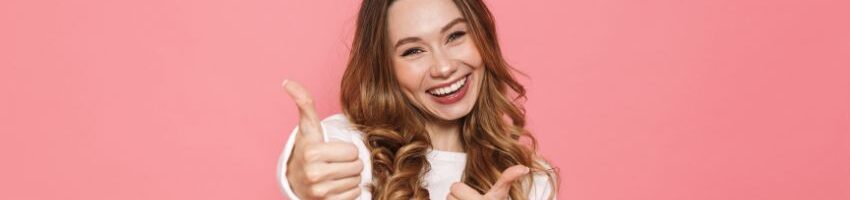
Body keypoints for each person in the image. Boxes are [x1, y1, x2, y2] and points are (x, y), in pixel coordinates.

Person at [277, 0, 558, 199]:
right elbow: (316, 160)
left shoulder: (531, 181)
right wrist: (297, 178)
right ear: (386, 69)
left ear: (482, 37)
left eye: (455, 36)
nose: (444, 67)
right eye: (413, 51)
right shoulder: (355, 151)